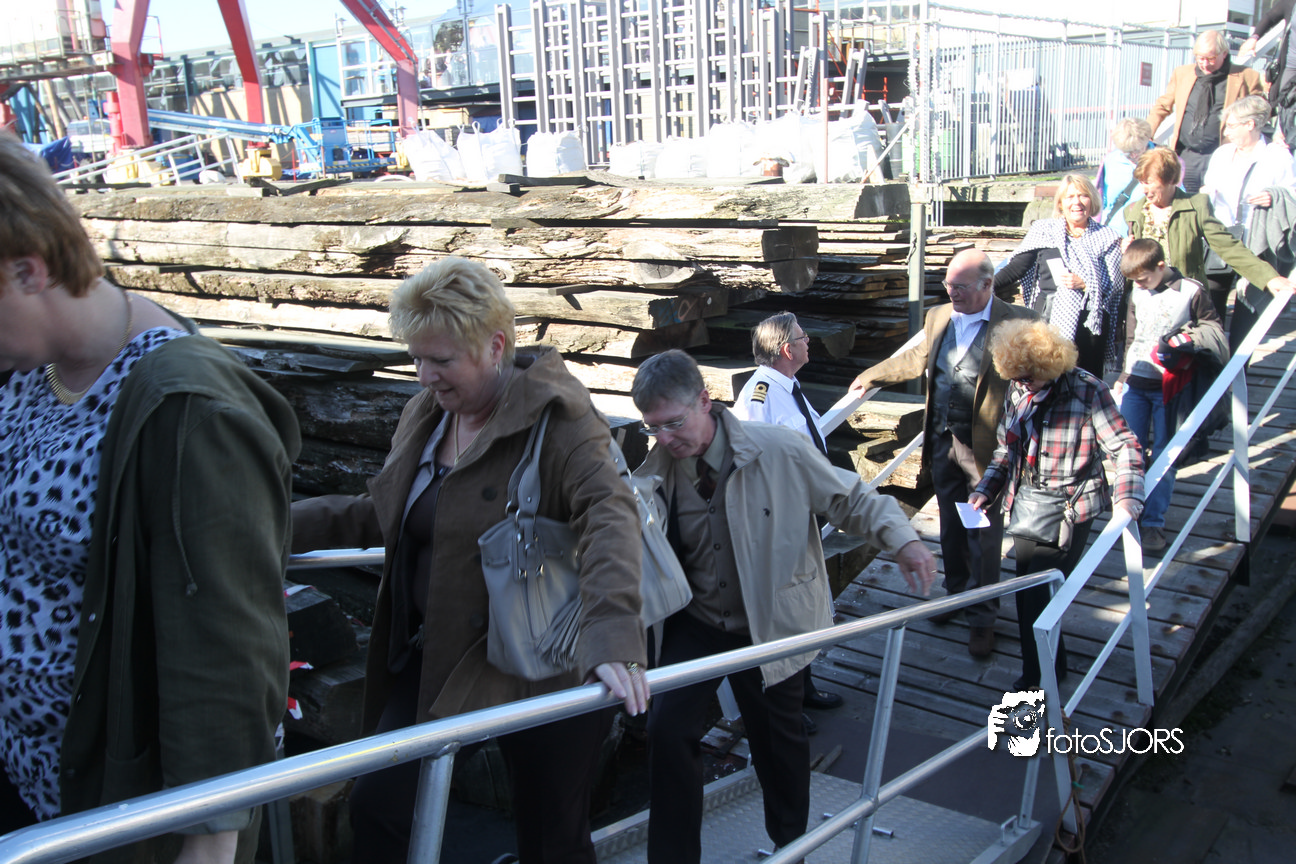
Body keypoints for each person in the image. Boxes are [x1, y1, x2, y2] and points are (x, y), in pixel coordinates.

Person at [0, 134, 300, 863]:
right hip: (28, 774)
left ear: (27, 271)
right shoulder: (30, 369)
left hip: (112, 809)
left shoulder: (189, 407)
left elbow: (228, 648)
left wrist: (210, 845)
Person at [291, 256, 648, 864]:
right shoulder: (427, 415)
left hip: (546, 659)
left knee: (551, 838)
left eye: (441, 360)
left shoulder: (561, 419)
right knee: (379, 808)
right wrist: (265, 529)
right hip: (442, 656)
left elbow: (610, 517)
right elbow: (388, 511)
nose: (425, 375)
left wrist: (613, 634)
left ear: (494, 346)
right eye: (416, 358)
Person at [632, 349, 936, 864]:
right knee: (666, 730)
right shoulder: (654, 473)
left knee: (778, 743)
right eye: (652, 427)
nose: (664, 438)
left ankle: (792, 847)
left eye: (674, 423)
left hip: (770, 622)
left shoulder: (779, 450)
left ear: (705, 401)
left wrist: (902, 538)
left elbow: (850, 500)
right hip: (696, 621)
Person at [849, 249, 1038, 658]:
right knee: (952, 525)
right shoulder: (938, 317)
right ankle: (955, 595)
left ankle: (983, 616)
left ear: (988, 284)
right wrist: (870, 376)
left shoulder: (1021, 321)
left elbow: (1044, 374)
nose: (952, 292)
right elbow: (916, 358)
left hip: (986, 450)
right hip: (941, 441)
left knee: (982, 531)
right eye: (948, 285)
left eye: (961, 286)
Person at [968, 320, 1144, 691]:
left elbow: (1125, 446)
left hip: (1069, 507)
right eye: (1015, 377)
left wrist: (1128, 497)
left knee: (1038, 593)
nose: (1022, 384)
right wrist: (986, 489)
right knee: (1028, 592)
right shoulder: (1019, 389)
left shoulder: (1088, 390)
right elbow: (1005, 449)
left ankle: (1037, 680)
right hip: (1028, 503)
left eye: (1028, 377)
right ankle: (1052, 666)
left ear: (1049, 364)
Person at [733, 311, 843, 715]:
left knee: (803, 601)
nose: (808, 341)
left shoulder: (788, 387)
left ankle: (804, 689)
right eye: (802, 337)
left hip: (800, 510)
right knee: (784, 610)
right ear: (786, 349)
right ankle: (787, 707)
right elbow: (749, 461)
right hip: (777, 518)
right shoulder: (760, 395)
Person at [1113, 239, 1227, 555]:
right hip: (1137, 382)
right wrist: (1123, 374)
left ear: (1160, 266)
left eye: (1143, 279)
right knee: (1129, 451)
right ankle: (1129, 516)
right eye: (1134, 281)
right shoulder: (1137, 290)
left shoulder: (1191, 291)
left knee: (1165, 452)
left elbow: (1214, 328)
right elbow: (1132, 336)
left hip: (1171, 385)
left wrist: (1185, 339)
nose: (1139, 285)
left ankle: (1153, 523)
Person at [1123, 146, 1293, 346]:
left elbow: (1228, 246)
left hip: (1184, 305)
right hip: (1147, 303)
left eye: (1150, 182)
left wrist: (1269, 278)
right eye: (1141, 182)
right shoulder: (1133, 212)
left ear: (1169, 180)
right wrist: (1127, 249)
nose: (1144, 189)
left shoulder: (1196, 206)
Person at [993, 174, 1124, 375]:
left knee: (1084, 383)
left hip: (1089, 326)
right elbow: (1017, 268)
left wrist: (1086, 284)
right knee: (1043, 378)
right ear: (1061, 203)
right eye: (1070, 197)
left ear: (1092, 201)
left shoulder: (1108, 238)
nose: (1077, 202)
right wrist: (982, 286)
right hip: (1046, 321)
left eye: (1083, 196)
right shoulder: (1044, 230)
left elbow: (1115, 285)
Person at [1200, 96, 1296, 331]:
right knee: (1211, 304)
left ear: (1250, 124)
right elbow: (1209, 189)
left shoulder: (1277, 156)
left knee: (1249, 310)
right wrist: (1206, 193)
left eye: (1232, 126)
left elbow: (1292, 195)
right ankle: (1213, 352)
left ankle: (1240, 353)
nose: (1227, 132)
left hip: (1258, 240)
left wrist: (1274, 197)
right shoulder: (1222, 154)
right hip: (1222, 238)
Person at [1146, 30, 1265, 193]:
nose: (1205, 64)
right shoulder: (1182, 74)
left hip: (1223, 155)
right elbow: (1163, 106)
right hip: (1187, 155)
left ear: (1224, 54)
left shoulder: (1246, 76)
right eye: (1200, 58)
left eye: (1211, 58)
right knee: (1186, 202)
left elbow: (1260, 112)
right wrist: (1147, 133)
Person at [1238, 2, 1296, 149]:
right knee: (1285, 111)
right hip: (1291, 67)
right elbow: (1270, 17)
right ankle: (1284, 147)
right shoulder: (1291, 3)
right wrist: (1254, 38)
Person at [1096, 118, 1153, 235]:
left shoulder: (1163, 159)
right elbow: (1101, 200)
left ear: (1147, 140)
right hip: (1113, 232)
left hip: (1145, 232)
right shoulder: (1110, 161)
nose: (1133, 155)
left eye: (1137, 150)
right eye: (1127, 152)